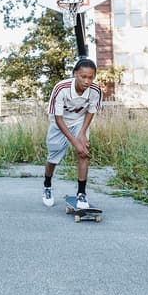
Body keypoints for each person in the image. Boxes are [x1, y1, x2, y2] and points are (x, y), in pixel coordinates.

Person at [41, 58, 102, 209]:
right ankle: (47, 185)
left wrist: (81, 134)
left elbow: (90, 112)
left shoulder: (95, 90)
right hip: (60, 123)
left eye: (91, 77)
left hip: (79, 121)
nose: (87, 81)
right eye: (83, 76)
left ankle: (81, 193)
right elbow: (58, 117)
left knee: (83, 153)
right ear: (75, 74)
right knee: (53, 157)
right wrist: (74, 142)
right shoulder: (61, 88)